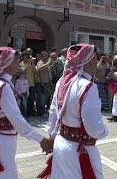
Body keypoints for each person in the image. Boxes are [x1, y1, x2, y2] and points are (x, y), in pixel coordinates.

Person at [0, 47, 53, 178]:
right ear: (7, 63)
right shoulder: (3, 87)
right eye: (16, 60)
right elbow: (17, 119)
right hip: (2, 139)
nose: (18, 63)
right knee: (6, 174)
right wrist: (41, 140)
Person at [38, 43, 108, 179]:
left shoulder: (62, 82)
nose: (96, 62)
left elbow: (53, 115)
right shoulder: (88, 87)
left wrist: (52, 137)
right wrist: (104, 131)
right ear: (89, 62)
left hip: (61, 144)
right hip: (80, 150)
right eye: (94, 58)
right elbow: (93, 128)